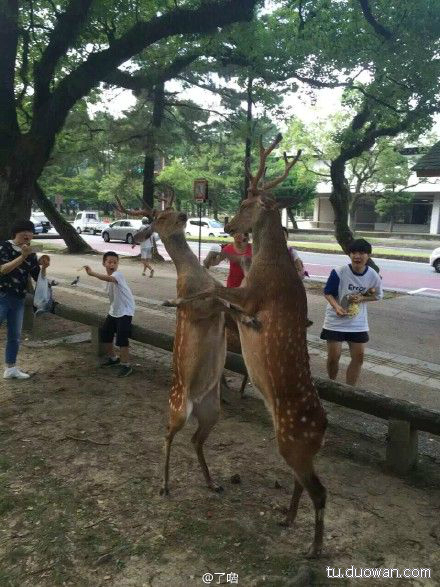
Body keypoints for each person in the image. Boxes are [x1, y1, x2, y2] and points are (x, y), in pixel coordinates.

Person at [320, 238, 383, 386]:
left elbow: (378, 295)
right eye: (354, 252)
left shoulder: (372, 275)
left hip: (357, 322)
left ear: (368, 256)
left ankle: (349, 390)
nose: (357, 256)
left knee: (358, 358)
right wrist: (336, 307)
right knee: (334, 357)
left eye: (362, 253)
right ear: (349, 255)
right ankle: (332, 384)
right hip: (335, 321)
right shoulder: (339, 272)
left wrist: (362, 298)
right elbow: (328, 293)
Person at [0, 220, 49, 379]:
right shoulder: (5, 247)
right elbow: (3, 269)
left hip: (18, 298)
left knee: (14, 335)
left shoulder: (32, 252)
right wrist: (22, 256)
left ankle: (11, 368)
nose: (28, 235)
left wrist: (44, 267)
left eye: (30, 232)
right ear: (16, 233)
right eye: (24, 232)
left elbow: (36, 276)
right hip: (2, 296)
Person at [84, 252, 135, 377]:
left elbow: (110, 278)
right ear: (104, 263)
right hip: (114, 311)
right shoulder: (106, 280)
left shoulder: (118, 275)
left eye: (115, 262)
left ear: (117, 264)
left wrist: (92, 274)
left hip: (126, 311)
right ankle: (113, 358)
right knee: (105, 334)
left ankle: (126, 365)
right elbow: (108, 283)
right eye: (109, 262)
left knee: (122, 338)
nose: (112, 264)